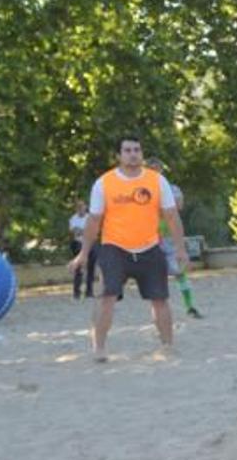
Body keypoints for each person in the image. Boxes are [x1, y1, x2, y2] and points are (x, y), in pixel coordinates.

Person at [68, 134, 189, 362]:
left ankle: (167, 346)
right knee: (106, 296)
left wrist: (181, 249)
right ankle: (99, 349)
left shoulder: (157, 181)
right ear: (118, 156)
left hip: (150, 247)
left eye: (137, 150)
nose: (133, 154)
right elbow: (94, 220)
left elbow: (172, 216)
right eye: (128, 150)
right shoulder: (104, 183)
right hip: (115, 247)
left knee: (160, 299)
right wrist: (83, 254)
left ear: (141, 154)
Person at [146, 158, 201, 319]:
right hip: (152, 237)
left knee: (180, 272)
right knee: (156, 275)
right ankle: (160, 311)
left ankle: (190, 306)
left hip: (170, 237)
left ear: (162, 171)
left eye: (157, 169)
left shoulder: (172, 189)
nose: (155, 173)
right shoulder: (142, 191)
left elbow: (177, 206)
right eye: (151, 170)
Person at [68, 199, 96, 299]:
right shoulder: (73, 219)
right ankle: (76, 292)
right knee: (78, 268)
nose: (80, 209)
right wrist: (85, 231)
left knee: (91, 268)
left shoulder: (90, 218)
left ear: (86, 207)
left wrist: (83, 231)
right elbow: (75, 232)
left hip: (91, 243)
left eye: (82, 206)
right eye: (78, 207)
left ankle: (89, 291)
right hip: (78, 244)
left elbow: (92, 231)